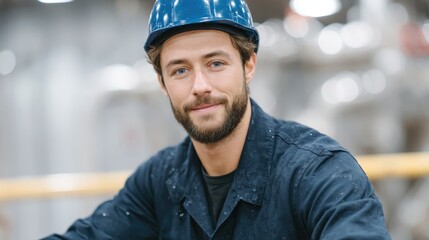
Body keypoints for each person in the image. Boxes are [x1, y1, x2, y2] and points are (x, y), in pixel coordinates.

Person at [43, 0, 391, 239]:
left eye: (216, 63)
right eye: (180, 70)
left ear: (249, 65)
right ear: (162, 84)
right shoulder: (158, 181)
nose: (200, 87)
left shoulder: (318, 173)